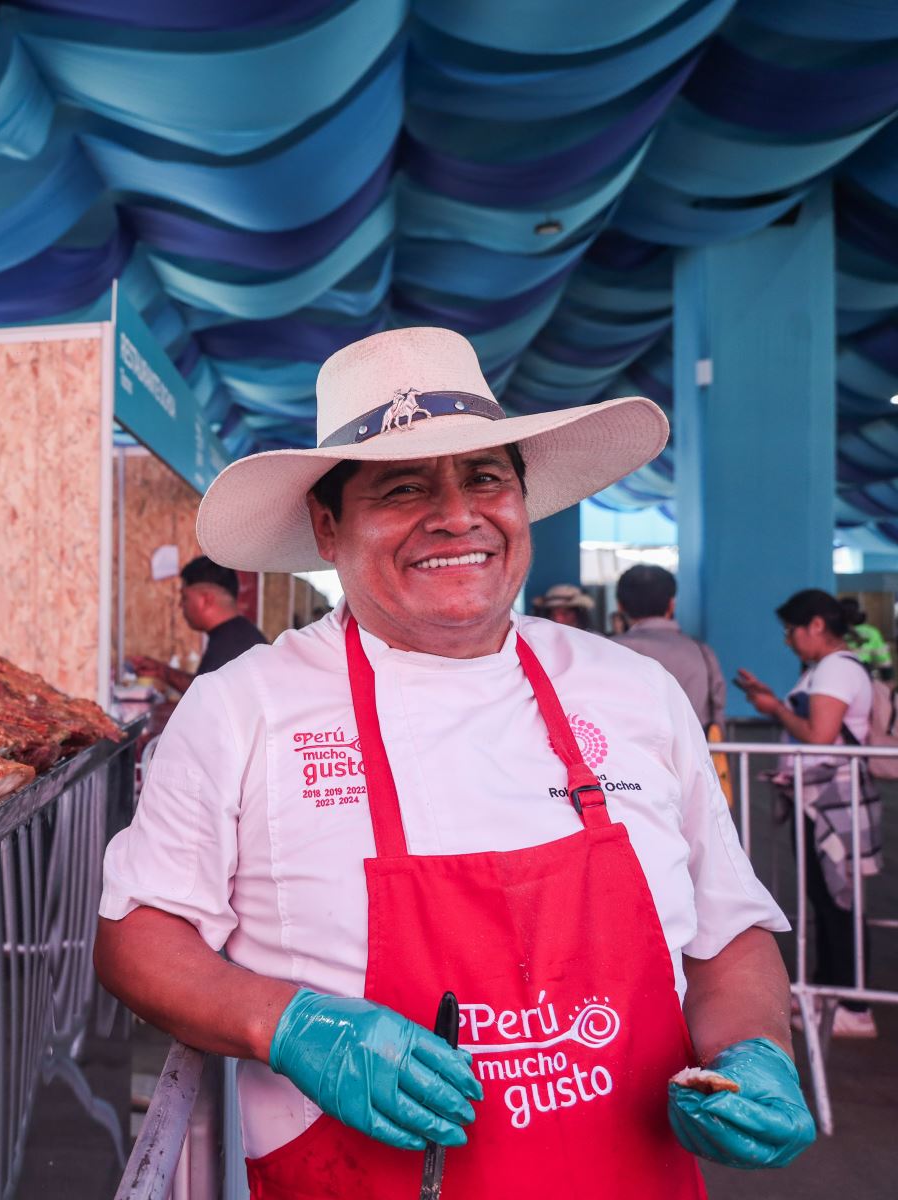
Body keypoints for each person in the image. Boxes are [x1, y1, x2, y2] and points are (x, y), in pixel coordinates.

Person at [97, 327, 812, 1197]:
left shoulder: (633, 691)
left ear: (521, 498)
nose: (457, 515)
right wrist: (283, 1023)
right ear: (328, 526)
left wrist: (754, 1051)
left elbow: (725, 934)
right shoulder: (244, 706)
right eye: (403, 488)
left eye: (485, 477)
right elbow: (140, 935)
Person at [735, 590, 883, 1039]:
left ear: (816, 625)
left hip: (831, 803)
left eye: (791, 630)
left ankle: (855, 1006)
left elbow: (820, 735)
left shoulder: (836, 669)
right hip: (824, 801)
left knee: (838, 902)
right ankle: (833, 995)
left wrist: (776, 708)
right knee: (825, 899)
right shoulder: (832, 668)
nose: (788, 640)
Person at [126, 556, 268, 696]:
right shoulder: (235, 633)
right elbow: (204, 687)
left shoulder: (231, 643)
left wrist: (163, 672)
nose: (180, 605)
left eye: (184, 597)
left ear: (206, 599)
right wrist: (161, 671)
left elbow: (206, 697)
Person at [613, 565, 727, 728]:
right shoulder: (702, 653)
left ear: (620, 606)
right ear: (671, 605)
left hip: (625, 752)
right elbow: (717, 713)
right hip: (692, 752)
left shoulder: (609, 650)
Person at [841, 596, 893, 681]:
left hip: (840, 674)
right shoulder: (872, 632)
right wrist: (888, 678)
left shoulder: (836, 631)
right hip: (865, 674)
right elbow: (883, 659)